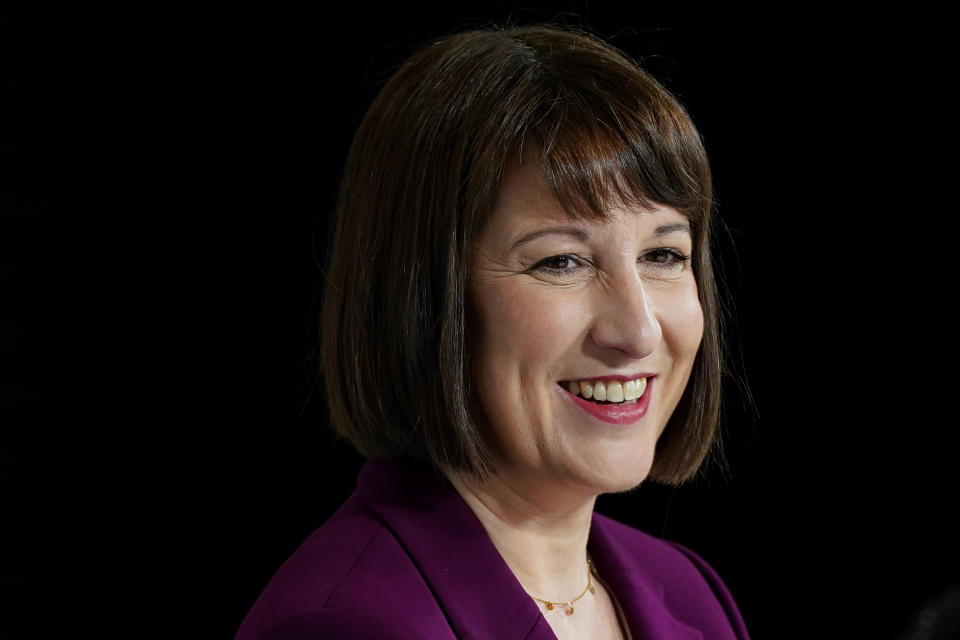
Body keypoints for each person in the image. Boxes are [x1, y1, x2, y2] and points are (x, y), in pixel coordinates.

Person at [235, 24, 749, 640]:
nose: (637, 331)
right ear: (425, 298)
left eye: (663, 255)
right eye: (562, 261)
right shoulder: (345, 624)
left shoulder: (690, 595)